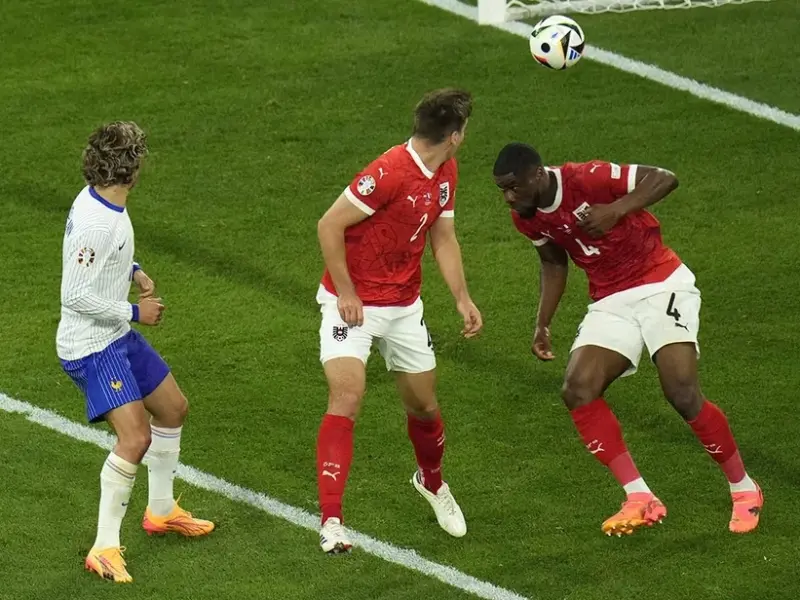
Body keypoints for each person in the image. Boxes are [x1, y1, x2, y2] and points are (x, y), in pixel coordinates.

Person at [492, 142, 762, 536]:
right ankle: (640, 496)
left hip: (660, 282)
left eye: (513, 187)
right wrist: (542, 324)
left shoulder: (587, 178)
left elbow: (665, 178)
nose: (508, 197)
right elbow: (553, 262)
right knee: (577, 388)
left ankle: (743, 487)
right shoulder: (526, 216)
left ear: (537, 174)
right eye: (502, 189)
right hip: (611, 299)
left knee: (681, 391)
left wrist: (616, 209)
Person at [315, 89, 483, 553]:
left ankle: (431, 482)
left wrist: (462, 298)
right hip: (353, 306)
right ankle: (331, 521)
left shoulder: (446, 171)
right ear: (454, 135)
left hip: (405, 307)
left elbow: (443, 236)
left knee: (424, 407)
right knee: (347, 395)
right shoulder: (389, 172)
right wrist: (346, 291)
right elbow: (329, 224)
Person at [57, 121, 214, 583]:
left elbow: (109, 255)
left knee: (173, 408)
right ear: (131, 168)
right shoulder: (97, 222)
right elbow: (74, 294)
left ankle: (160, 510)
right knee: (135, 438)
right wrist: (134, 311)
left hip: (113, 334)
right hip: (90, 344)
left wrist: (135, 270)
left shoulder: (103, 200)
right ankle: (103, 547)